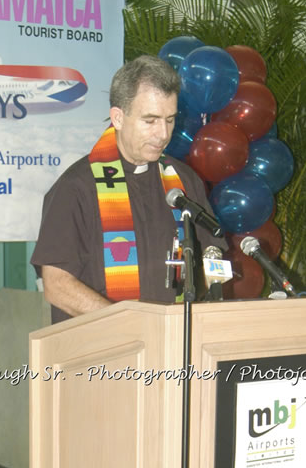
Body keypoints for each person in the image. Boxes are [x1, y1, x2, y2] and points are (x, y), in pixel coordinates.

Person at [31, 55, 226, 323]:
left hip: (175, 344)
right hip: (103, 350)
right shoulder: (76, 188)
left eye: (170, 120)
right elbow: (57, 286)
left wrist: (207, 297)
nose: (163, 134)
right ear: (118, 118)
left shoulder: (184, 181)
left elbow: (212, 257)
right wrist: (131, 327)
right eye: (150, 120)